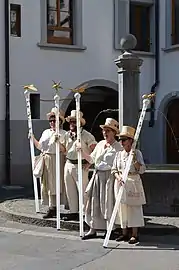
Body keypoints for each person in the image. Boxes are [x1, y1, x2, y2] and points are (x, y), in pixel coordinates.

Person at [77, 118, 122, 240]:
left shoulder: (118, 147)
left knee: (108, 202)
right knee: (93, 202)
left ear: (114, 132)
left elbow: (120, 164)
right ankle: (93, 228)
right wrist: (81, 151)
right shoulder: (100, 144)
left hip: (110, 177)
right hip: (98, 176)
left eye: (108, 130)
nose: (105, 133)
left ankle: (110, 229)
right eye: (104, 130)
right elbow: (92, 159)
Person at [111, 126, 146, 244]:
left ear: (130, 140)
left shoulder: (137, 153)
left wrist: (134, 159)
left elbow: (142, 170)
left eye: (124, 139)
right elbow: (114, 169)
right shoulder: (119, 154)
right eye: (120, 139)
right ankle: (124, 232)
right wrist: (118, 177)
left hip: (133, 181)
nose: (121, 142)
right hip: (121, 182)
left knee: (134, 208)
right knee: (122, 208)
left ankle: (134, 234)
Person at [60, 110, 97, 221]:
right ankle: (73, 211)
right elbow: (64, 150)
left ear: (79, 123)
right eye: (71, 121)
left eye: (74, 121)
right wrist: (57, 142)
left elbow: (94, 150)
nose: (72, 124)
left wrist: (90, 162)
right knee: (69, 189)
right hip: (69, 163)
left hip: (80, 165)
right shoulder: (67, 135)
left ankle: (85, 213)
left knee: (83, 190)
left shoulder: (86, 135)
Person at [32, 108, 66, 219]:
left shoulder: (63, 133)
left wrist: (58, 143)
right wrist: (32, 138)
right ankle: (51, 207)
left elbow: (65, 149)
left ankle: (56, 206)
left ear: (59, 122)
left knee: (56, 183)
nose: (52, 123)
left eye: (54, 120)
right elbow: (40, 146)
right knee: (47, 183)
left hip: (58, 159)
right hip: (46, 158)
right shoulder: (46, 132)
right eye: (51, 121)